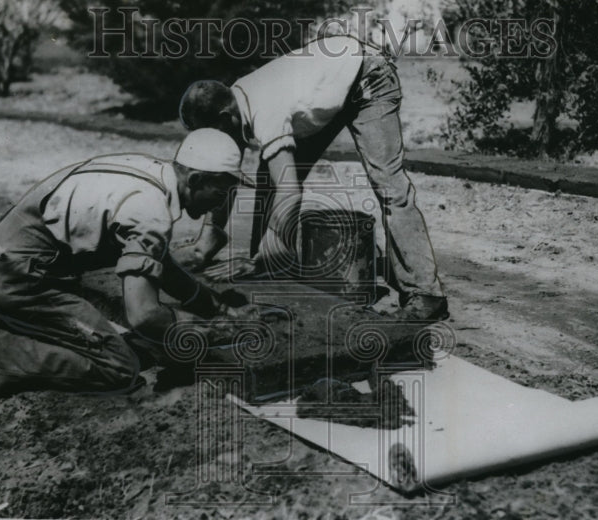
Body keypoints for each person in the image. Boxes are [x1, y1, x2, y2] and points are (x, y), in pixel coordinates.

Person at [0, 129, 254, 402]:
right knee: (119, 366)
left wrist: (209, 303)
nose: (222, 202)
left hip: (3, 260)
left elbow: (160, 264)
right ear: (196, 179)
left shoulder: (152, 171)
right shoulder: (151, 211)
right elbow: (143, 315)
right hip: (22, 280)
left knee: (122, 338)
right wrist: (201, 331)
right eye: (222, 191)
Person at [177, 34, 448, 321]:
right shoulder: (233, 104)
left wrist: (268, 251)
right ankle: (270, 268)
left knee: (389, 186)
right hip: (330, 82)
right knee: (269, 177)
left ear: (225, 117)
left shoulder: (263, 109)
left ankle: (425, 293)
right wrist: (207, 241)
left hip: (369, 75)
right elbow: (224, 173)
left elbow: (290, 190)